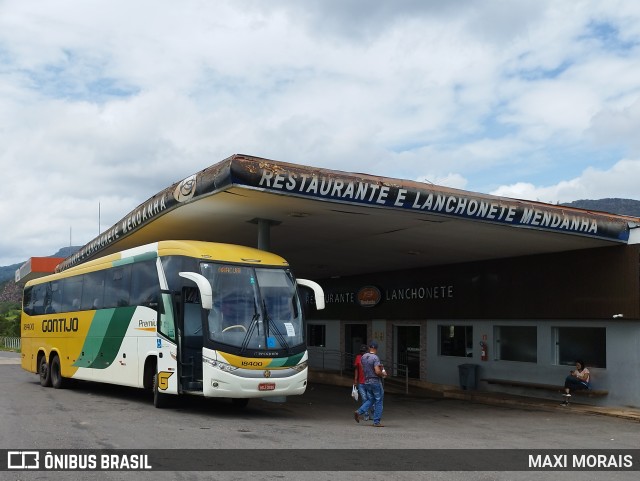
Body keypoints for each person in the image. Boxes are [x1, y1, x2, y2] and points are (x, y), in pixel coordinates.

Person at [354, 340, 387, 427]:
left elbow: (363, 368)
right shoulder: (375, 358)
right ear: (376, 348)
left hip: (367, 381)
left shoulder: (364, 357)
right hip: (375, 382)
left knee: (371, 399)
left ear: (369, 348)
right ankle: (376, 422)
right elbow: (377, 371)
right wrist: (382, 374)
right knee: (379, 400)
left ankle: (359, 411)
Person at [353, 344, 372, 421]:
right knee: (364, 398)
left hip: (369, 382)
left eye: (364, 351)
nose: (363, 353)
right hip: (361, 382)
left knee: (370, 398)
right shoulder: (358, 357)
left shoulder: (370, 357)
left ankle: (372, 413)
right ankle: (366, 414)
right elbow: (356, 369)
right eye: (361, 351)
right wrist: (355, 379)